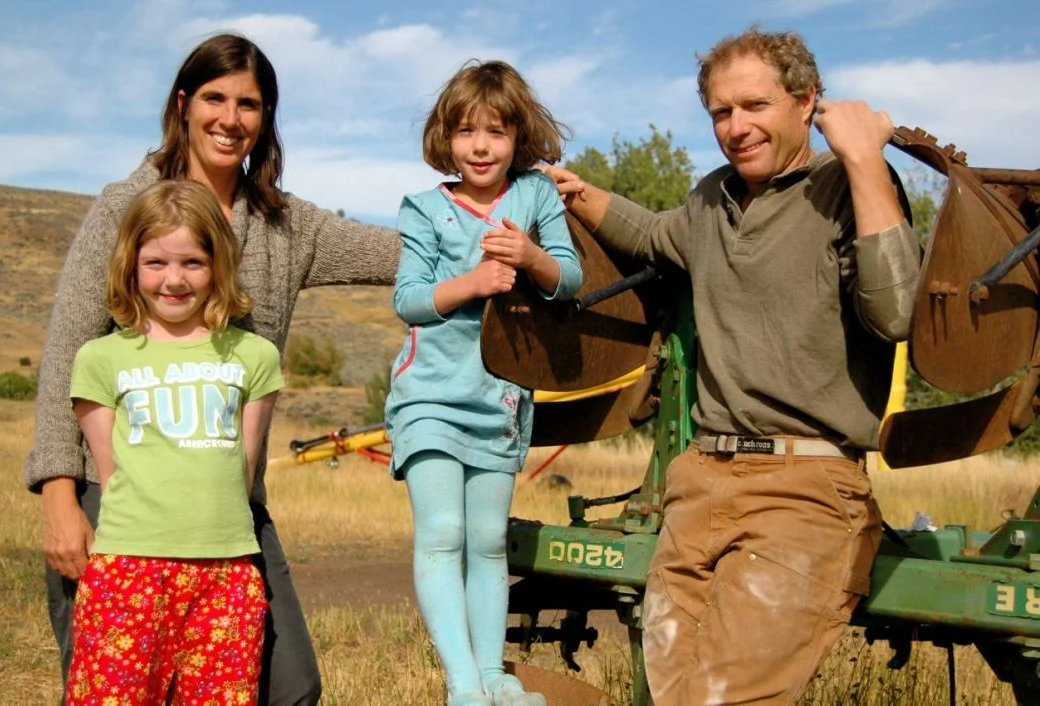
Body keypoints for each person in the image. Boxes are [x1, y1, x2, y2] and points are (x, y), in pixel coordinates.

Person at [547, 27, 922, 705]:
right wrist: (576, 195)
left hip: (805, 487)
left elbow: (896, 313)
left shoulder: (848, 186)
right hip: (701, 484)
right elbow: (652, 235)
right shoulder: (710, 199)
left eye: (754, 106)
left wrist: (865, 160)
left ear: (806, 102)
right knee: (672, 692)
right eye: (721, 112)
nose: (736, 127)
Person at [25, 33, 400, 705]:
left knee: (290, 690)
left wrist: (507, 212)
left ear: (266, 118)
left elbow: (404, 252)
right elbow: (66, 355)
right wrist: (59, 499)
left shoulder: (289, 226)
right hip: (113, 506)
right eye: (214, 98)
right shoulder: (124, 206)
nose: (231, 118)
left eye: (249, 104)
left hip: (228, 514)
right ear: (183, 103)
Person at [384, 60, 583, 706]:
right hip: (432, 398)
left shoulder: (534, 197)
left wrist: (531, 258)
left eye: (495, 132)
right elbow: (409, 300)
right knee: (443, 535)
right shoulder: (423, 208)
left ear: (517, 136)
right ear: (446, 137)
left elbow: (571, 281)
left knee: (489, 542)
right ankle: (463, 685)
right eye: (466, 131)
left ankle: (494, 674)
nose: (479, 146)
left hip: (500, 398)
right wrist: (475, 283)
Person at [65, 179, 282, 705]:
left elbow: (245, 469)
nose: (175, 280)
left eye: (193, 263)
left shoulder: (254, 356)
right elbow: (111, 472)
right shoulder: (100, 359)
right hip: (129, 571)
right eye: (157, 263)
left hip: (227, 571)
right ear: (131, 266)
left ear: (218, 265)